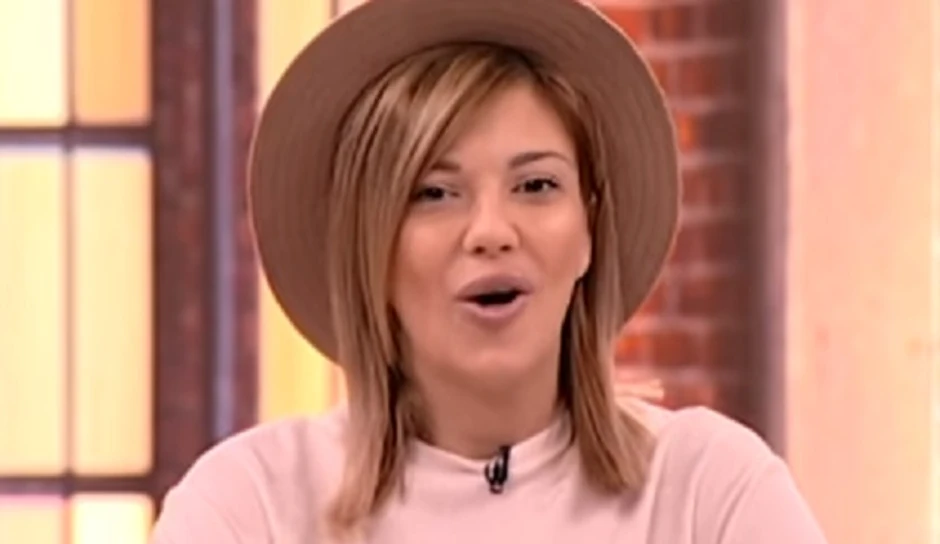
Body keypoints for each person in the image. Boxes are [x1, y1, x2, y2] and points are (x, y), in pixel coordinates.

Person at [150, 0, 828, 542]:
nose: (492, 233)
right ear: (369, 249)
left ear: (589, 232)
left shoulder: (709, 489)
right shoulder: (250, 505)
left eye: (536, 186)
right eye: (434, 193)